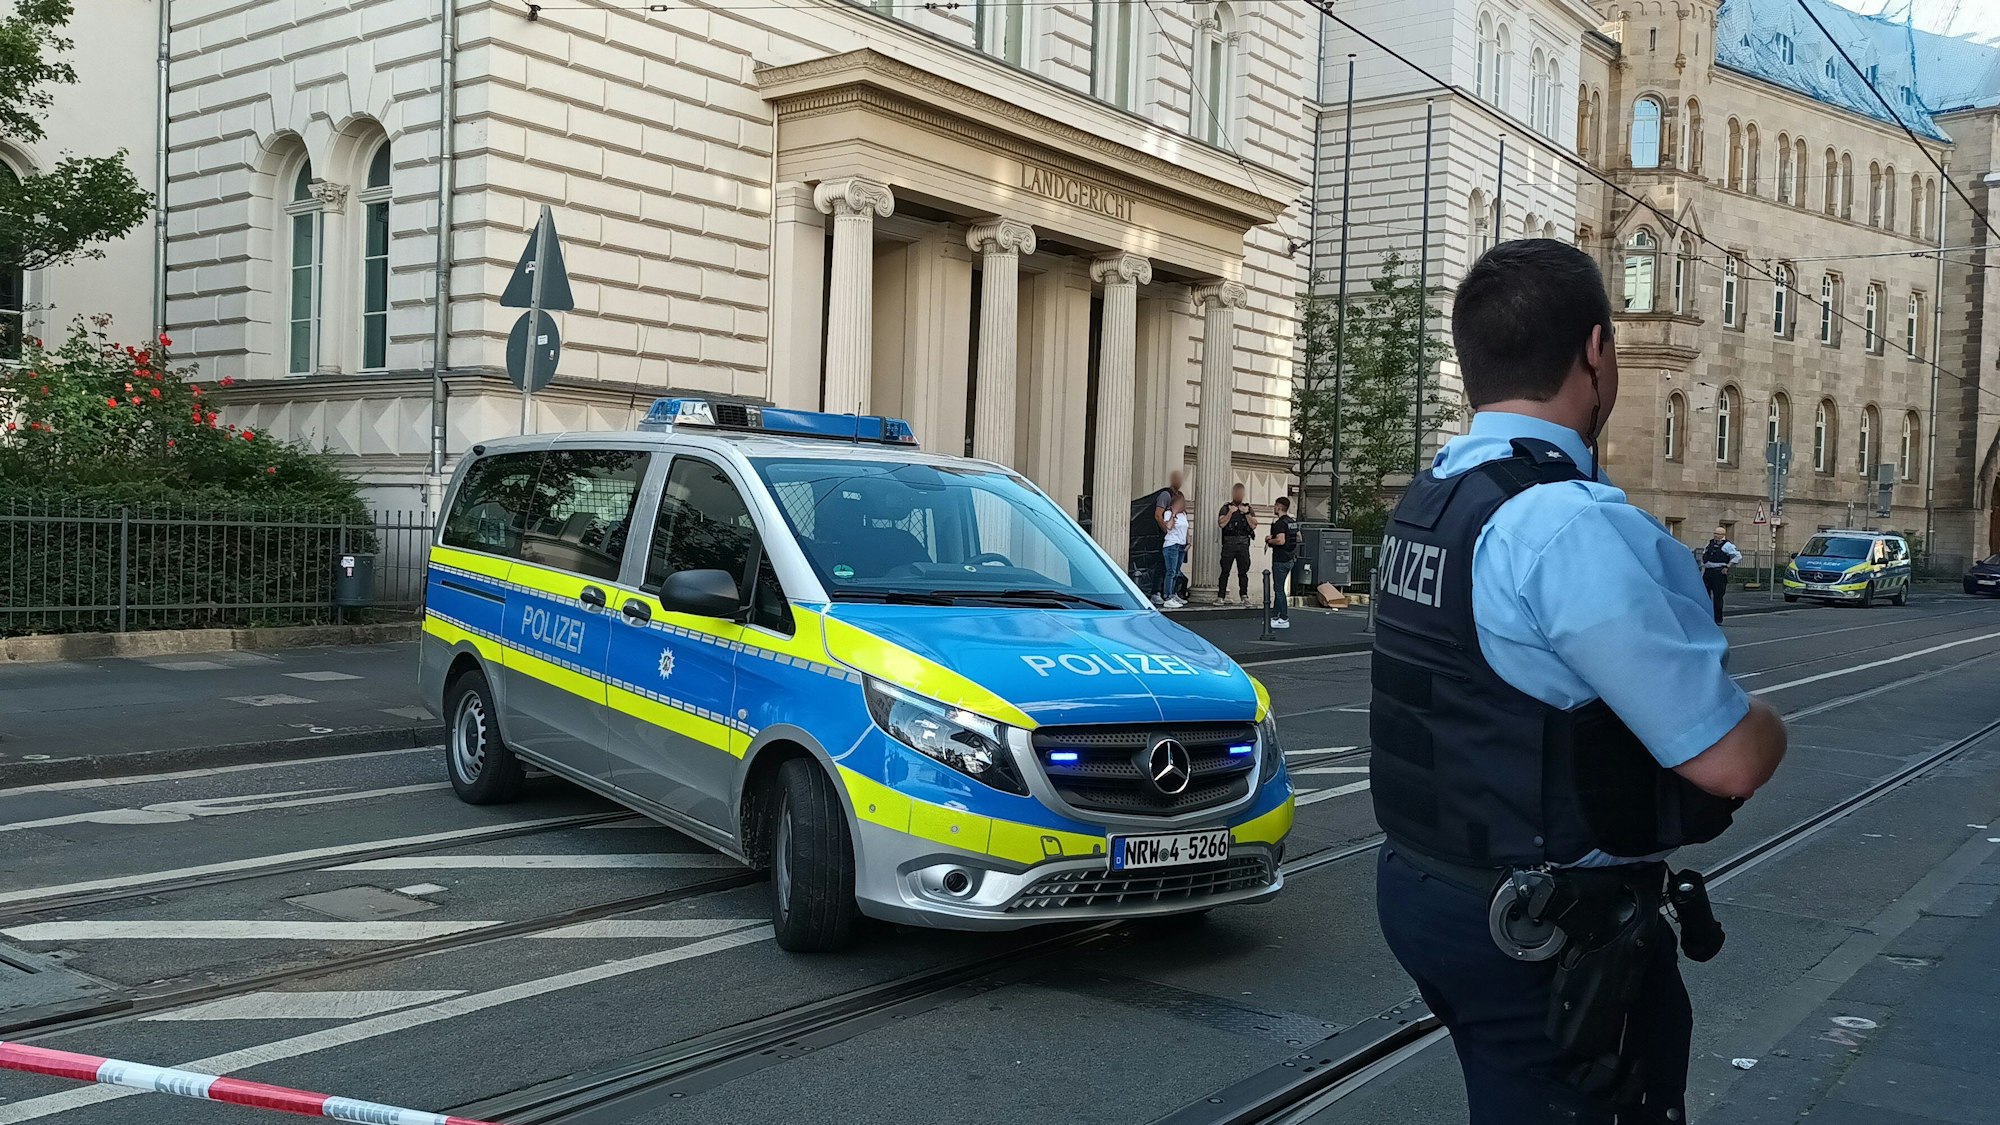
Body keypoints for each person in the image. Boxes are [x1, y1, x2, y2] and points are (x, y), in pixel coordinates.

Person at [1368, 240, 1789, 1125]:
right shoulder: (1565, 524)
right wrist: (1769, 722)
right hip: (1546, 930)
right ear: (1596, 350)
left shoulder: (1434, 497)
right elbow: (1728, 764)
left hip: (1430, 888)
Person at [1149, 470, 1187, 606]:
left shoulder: (1179, 497)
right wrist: (1166, 530)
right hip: (1167, 537)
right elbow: (1158, 515)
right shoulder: (1166, 495)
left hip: (1179, 540)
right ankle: (1157, 592)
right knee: (1162, 566)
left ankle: (1172, 593)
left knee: (1174, 569)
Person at [1217, 483, 1258, 603]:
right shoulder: (1226, 507)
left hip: (1243, 543)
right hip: (1229, 543)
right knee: (1225, 571)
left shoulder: (1247, 508)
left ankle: (1244, 596)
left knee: (1243, 572)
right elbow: (1221, 523)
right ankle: (1221, 596)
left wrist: (1246, 513)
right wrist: (1230, 512)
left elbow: (1254, 525)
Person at [1699, 527, 1744, 625]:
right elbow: (1704, 556)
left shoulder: (1727, 545)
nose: (1716, 535)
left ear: (1723, 535)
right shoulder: (1709, 544)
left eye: (1718, 534)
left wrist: (1728, 566)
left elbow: (1737, 556)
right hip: (1708, 571)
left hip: (1719, 572)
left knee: (1717, 596)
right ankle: (1706, 616)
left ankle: (1718, 619)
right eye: (1715, 533)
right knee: (1705, 595)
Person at [1265, 496, 1298, 629]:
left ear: (1279, 506)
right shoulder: (1292, 522)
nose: (1274, 508)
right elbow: (1299, 537)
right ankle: (1276, 616)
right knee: (1279, 588)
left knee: (1278, 589)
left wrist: (1269, 540)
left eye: (1275, 505)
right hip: (1290, 558)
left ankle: (1284, 617)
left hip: (1280, 559)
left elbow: (1281, 540)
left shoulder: (1279, 523)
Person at [1160, 495, 1190, 610]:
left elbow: (1186, 528)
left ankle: (1173, 594)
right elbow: (1168, 526)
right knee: (1171, 571)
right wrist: (1173, 513)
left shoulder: (1184, 514)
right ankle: (1167, 597)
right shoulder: (1168, 513)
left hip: (1181, 545)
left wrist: (1189, 542)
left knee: (1176, 572)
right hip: (1171, 544)